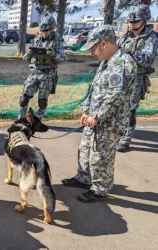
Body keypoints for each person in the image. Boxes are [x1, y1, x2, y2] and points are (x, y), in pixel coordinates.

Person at [62, 26, 137, 202]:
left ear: (103, 43)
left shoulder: (122, 63)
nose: (92, 53)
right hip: (95, 118)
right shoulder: (106, 62)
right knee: (86, 149)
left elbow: (115, 96)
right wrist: (87, 110)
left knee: (101, 155)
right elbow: (95, 89)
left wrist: (97, 116)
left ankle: (100, 189)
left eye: (93, 48)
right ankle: (84, 178)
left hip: (110, 121)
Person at [116, 4, 158, 152]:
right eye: (130, 22)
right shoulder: (126, 35)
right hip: (120, 76)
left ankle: (126, 138)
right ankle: (116, 133)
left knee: (130, 109)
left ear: (145, 20)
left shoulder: (151, 38)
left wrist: (129, 51)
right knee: (117, 106)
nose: (132, 24)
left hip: (136, 78)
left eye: (135, 22)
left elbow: (147, 59)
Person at [18, 15, 65, 120]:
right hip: (34, 72)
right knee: (24, 98)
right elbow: (26, 59)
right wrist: (29, 53)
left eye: (46, 30)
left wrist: (53, 55)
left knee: (42, 101)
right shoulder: (36, 40)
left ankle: (37, 120)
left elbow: (61, 59)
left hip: (48, 74)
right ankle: (21, 119)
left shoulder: (57, 41)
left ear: (52, 29)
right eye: (42, 30)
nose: (44, 33)